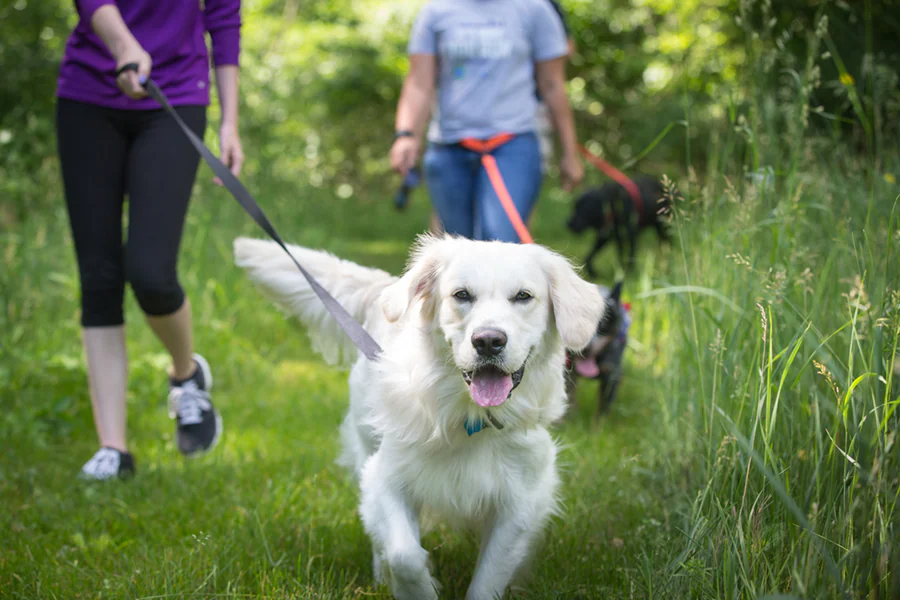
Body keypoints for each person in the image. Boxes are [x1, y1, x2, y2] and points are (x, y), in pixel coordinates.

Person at [56, 0, 243, 480]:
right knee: (98, 276)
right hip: (87, 96)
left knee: (150, 272)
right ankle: (113, 449)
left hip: (175, 94)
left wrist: (230, 121)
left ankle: (186, 375)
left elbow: (223, 19)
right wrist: (123, 45)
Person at [391, 0, 583, 242]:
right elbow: (419, 83)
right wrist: (405, 135)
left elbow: (553, 84)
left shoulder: (535, 9)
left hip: (513, 144)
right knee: (455, 248)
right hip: (449, 147)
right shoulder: (436, 11)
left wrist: (569, 152)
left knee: (502, 243)